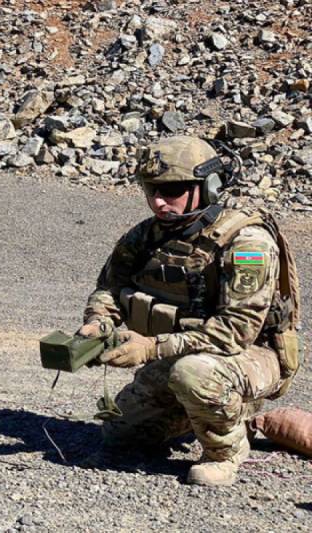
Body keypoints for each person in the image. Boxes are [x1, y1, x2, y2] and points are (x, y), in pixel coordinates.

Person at [78, 135, 301, 486]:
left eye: (172, 191)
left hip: (249, 356)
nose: (159, 202)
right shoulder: (147, 236)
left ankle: (225, 451)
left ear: (207, 186)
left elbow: (235, 332)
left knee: (193, 375)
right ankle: (198, 412)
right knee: (119, 434)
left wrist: (151, 348)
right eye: (151, 191)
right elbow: (109, 288)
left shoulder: (247, 243)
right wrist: (98, 322)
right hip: (183, 354)